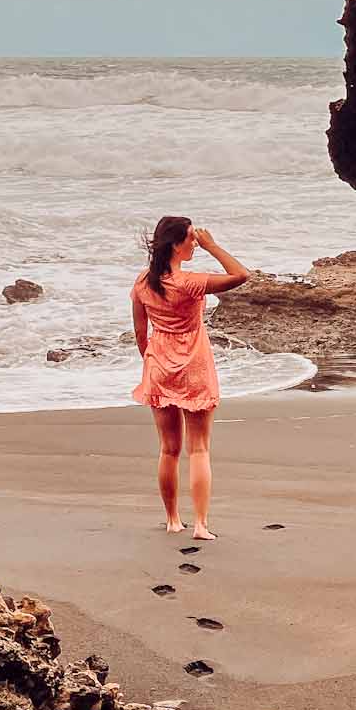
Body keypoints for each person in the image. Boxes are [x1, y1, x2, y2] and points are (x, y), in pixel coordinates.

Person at [131, 217, 250, 539]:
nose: (195, 243)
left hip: (159, 365)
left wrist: (155, 360)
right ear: (175, 244)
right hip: (194, 364)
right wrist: (213, 246)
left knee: (168, 449)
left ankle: (172, 520)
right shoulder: (189, 282)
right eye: (191, 239)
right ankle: (200, 524)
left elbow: (141, 333)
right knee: (198, 449)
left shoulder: (143, 282)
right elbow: (241, 275)